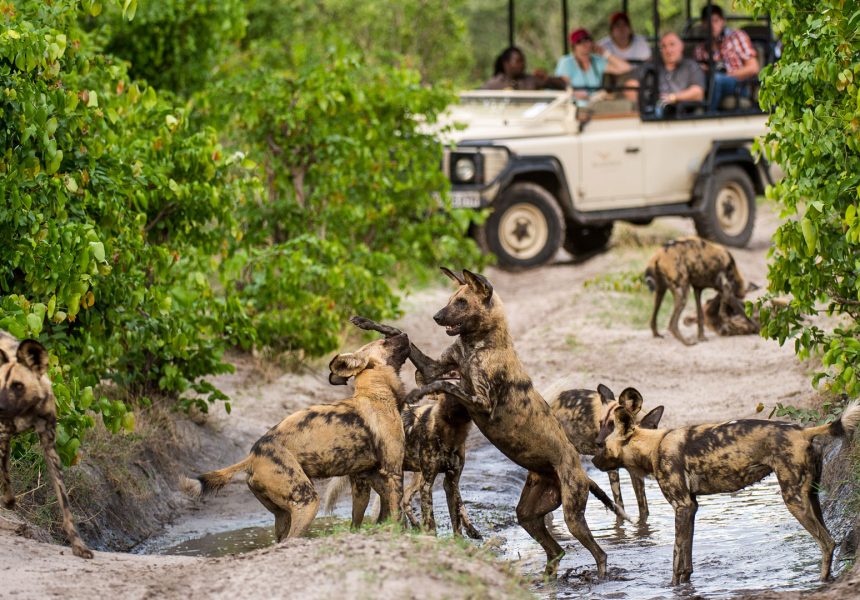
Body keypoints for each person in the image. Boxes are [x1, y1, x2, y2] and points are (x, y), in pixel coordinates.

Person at [693, 4, 760, 110]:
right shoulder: (700, 49)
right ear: (703, 24)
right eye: (708, 22)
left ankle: (708, 114)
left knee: (717, 79)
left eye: (715, 21)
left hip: (738, 84)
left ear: (722, 21)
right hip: (710, 83)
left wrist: (728, 74)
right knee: (706, 82)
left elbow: (753, 67)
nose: (712, 25)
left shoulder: (736, 37)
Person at [555, 28, 632, 101]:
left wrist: (604, 53)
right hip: (573, 107)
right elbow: (563, 88)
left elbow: (626, 68)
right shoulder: (566, 62)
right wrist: (590, 97)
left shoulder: (597, 61)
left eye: (586, 40)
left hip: (595, 107)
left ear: (592, 42)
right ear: (574, 46)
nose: (584, 44)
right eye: (579, 42)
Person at [482, 46, 566, 91]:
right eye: (518, 61)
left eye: (523, 61)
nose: (522, 64)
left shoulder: (531, 80)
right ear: (506, 63)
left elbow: (563, 85)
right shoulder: (494, 84)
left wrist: (547, 78)